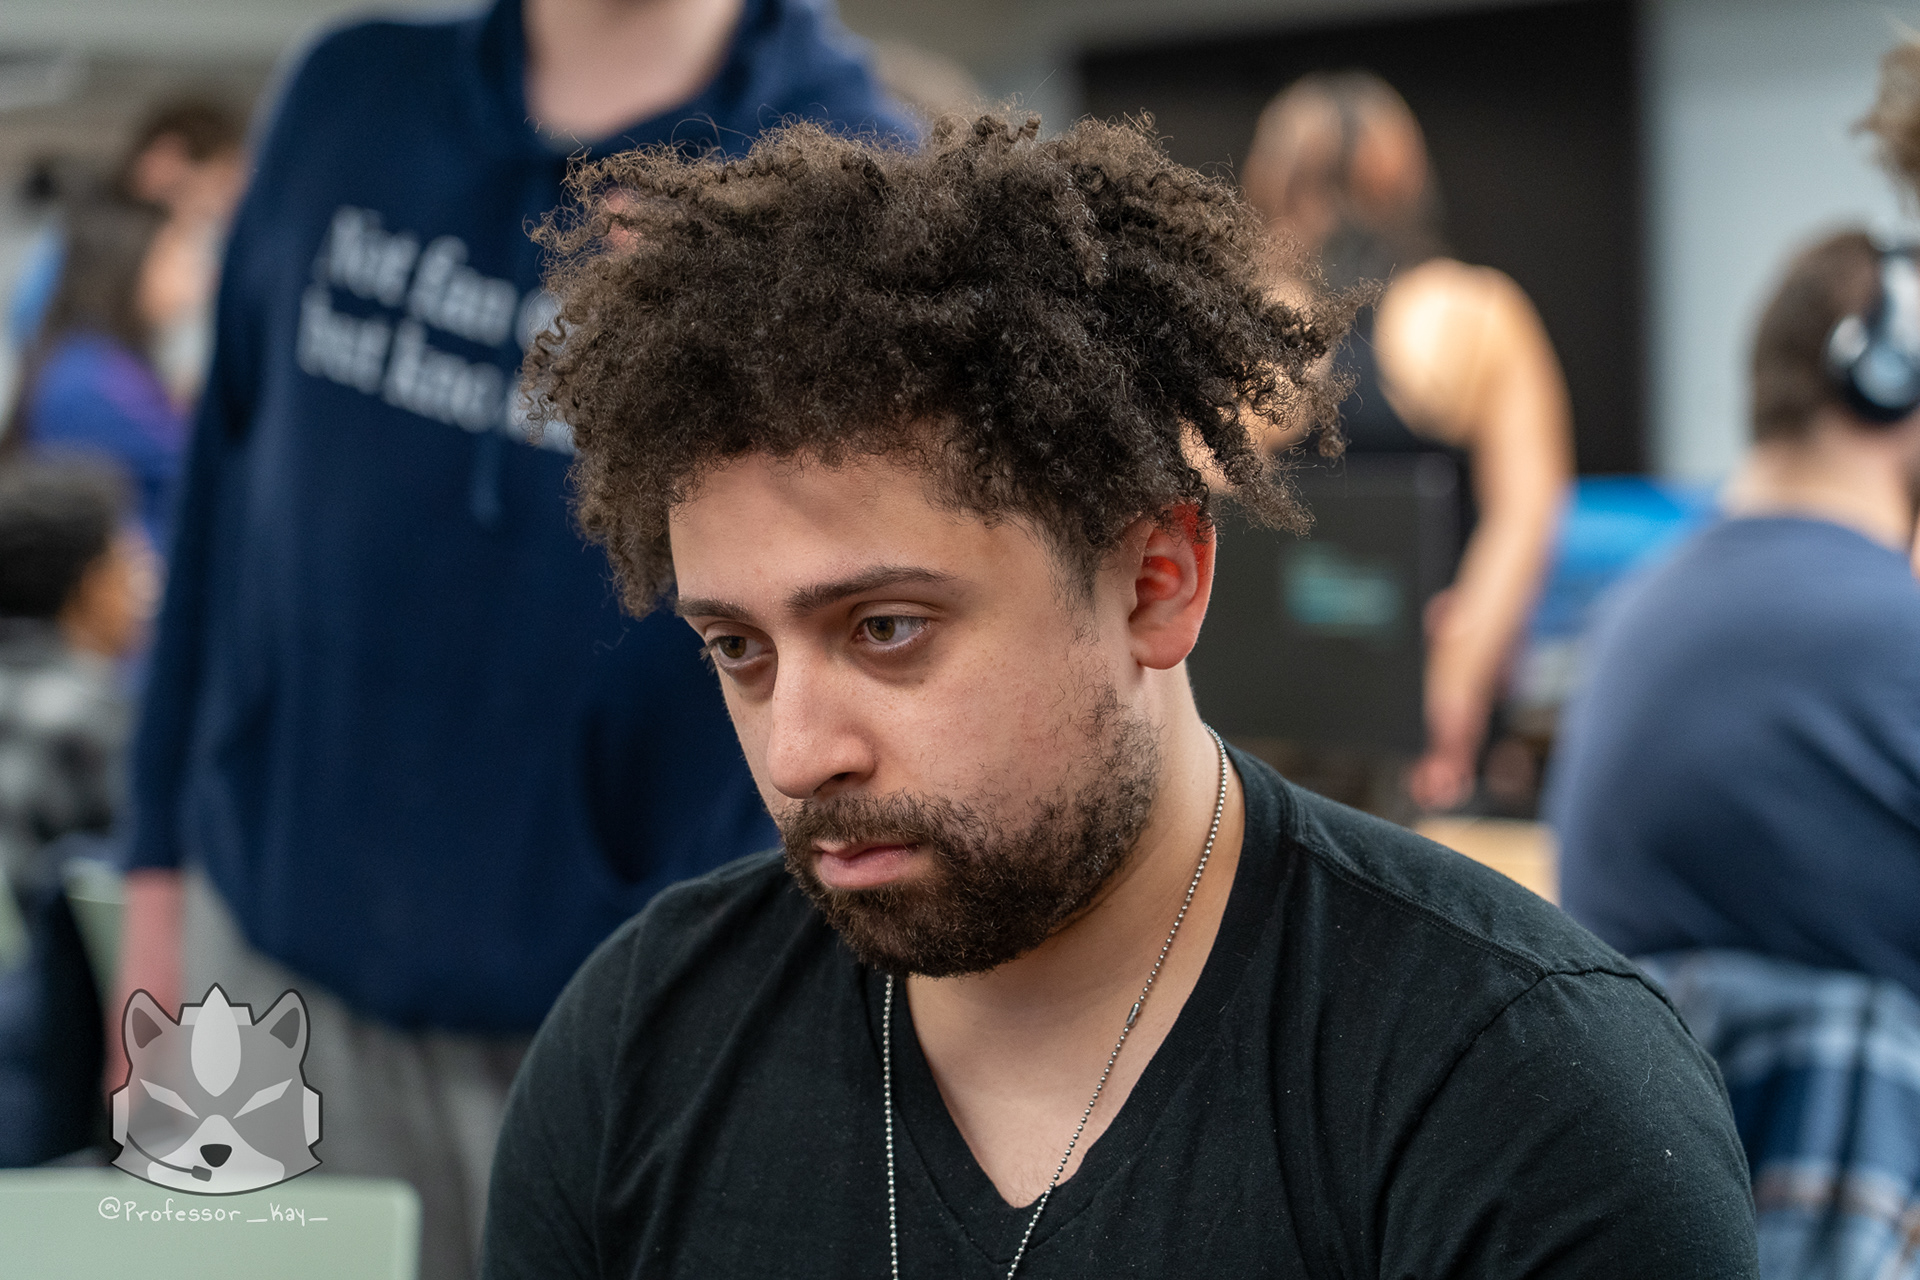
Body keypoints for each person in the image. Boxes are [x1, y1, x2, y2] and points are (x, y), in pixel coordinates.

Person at [479, 114, 1756, 1279]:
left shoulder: (1523, 1096)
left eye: (887, 628)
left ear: (1157, 582)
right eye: (738, 649)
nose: (799, 754)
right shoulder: (637, 1051)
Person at [119, 2, 911, 1277]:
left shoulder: (847, 176)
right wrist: (153, 886)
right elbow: (214, 514)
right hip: (253, 985)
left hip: (622, 1032)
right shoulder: (345, 99)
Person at [1239, 72, 1573, 812]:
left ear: (1275, 182)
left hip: (1277, 713)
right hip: (1421, 704)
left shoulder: (1241, 330)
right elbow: (1526, 518)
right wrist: (1458, 682)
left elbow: (1201, 514)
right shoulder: (1477, 311)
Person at [0, 461, 154, 1166]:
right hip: (48, 1061)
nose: (148, 578)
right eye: (129, 559)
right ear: (90, 584)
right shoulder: (102, 721)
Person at [6, 193, 185, 549]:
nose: (196, 269)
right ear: (128, 266)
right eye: (172, 255)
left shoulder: (101, 359)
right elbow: (196, 460)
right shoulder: (92, 379)